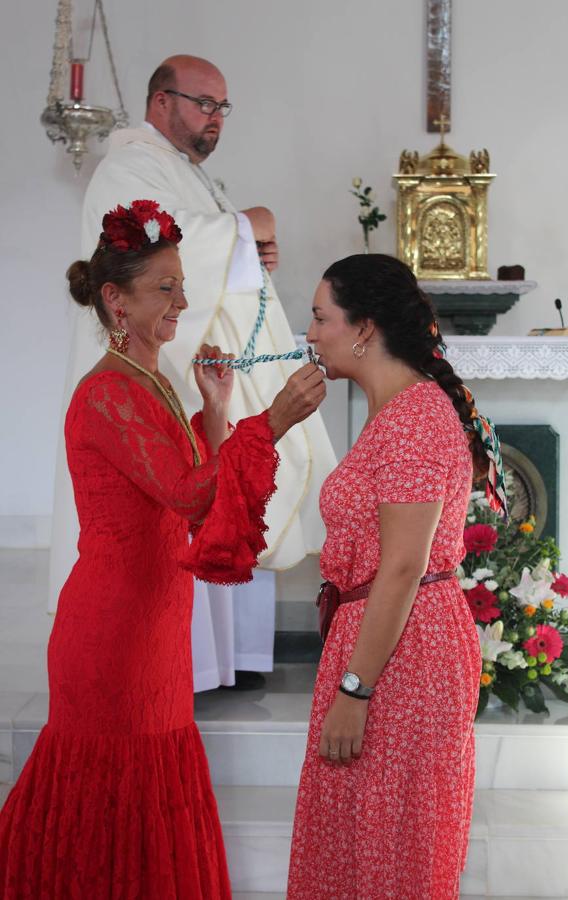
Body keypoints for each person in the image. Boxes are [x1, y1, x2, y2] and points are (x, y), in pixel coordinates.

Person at [0, 201, 326, 898]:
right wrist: (267, 420)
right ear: (115, 300)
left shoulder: (150, 382)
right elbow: (186, 495)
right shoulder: (107, 395)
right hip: (113, 633)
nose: (184, 301)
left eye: (181, 284)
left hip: (150, 625)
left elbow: (189, 490)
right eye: (165, 289)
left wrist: (214, 404)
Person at [48, 54, 337, 689]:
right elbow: (150, 261)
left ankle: (221, 662)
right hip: (159, 372)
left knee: (217, 484)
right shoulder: (129, 164)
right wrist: (243, 230)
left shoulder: (180, 171)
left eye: (223, 108)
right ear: (160, 102)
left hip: (197, 367)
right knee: (184, 502)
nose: (216, 119)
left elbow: (201, 254)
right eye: (205, 103)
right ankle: (194, 668)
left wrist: (247, 248)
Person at [287, 255, 507, 900]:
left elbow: (404, 565)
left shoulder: (413, 418)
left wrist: (355, 690)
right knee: (357, 841)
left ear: (364, 328)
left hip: (402, 659)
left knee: (392, 852)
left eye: (321, 316)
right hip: (383, 643)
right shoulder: (396, 412)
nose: (310, 332)